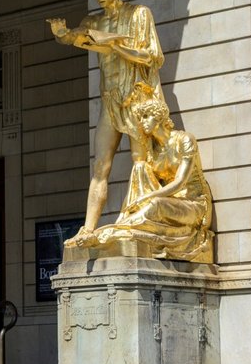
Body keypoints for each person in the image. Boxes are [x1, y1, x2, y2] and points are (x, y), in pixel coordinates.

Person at [48, 0, 164, 248]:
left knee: (141, 162)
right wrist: (62, 34)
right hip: (110, 100)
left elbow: (152, 56)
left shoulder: (138, 15)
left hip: (137, 99)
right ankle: (88, 228)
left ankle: (141, 221)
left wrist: (115, 45)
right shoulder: (93, 22)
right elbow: (78, 37)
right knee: (100, 165)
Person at [88, 81, 214, 262]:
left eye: (147, 117)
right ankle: (122, 230)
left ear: (160, 117)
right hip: (170, 202)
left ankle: (114, 231)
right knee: (153, 204)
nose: (143, 122)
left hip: (194, 205)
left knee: (155, 205)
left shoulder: (185, 139)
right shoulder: (153, 154)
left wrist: (147, 198)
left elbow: (179, 182)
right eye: (141, 118)